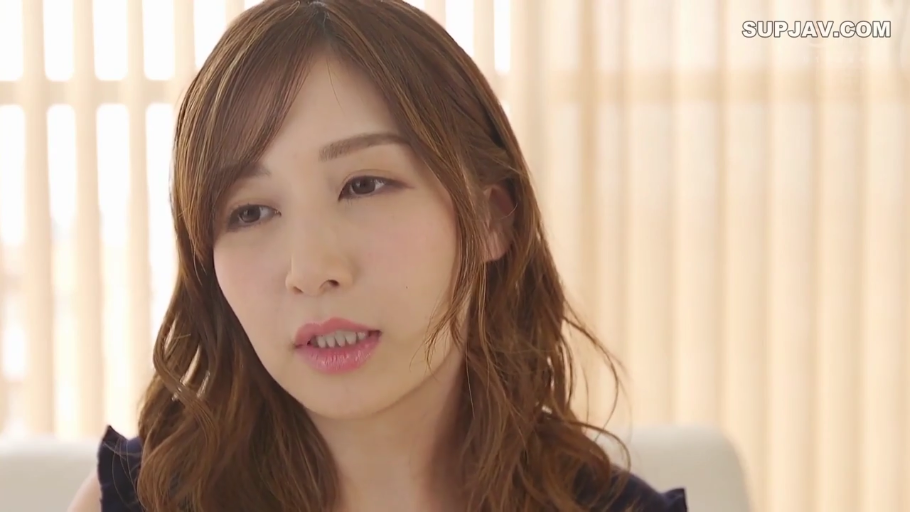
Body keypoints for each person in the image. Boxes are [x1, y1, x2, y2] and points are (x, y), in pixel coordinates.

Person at [68, 0, 687, 510]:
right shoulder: (141, 500)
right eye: (249, 212)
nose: (311, 271)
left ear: (491, 218)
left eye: (363, 185)